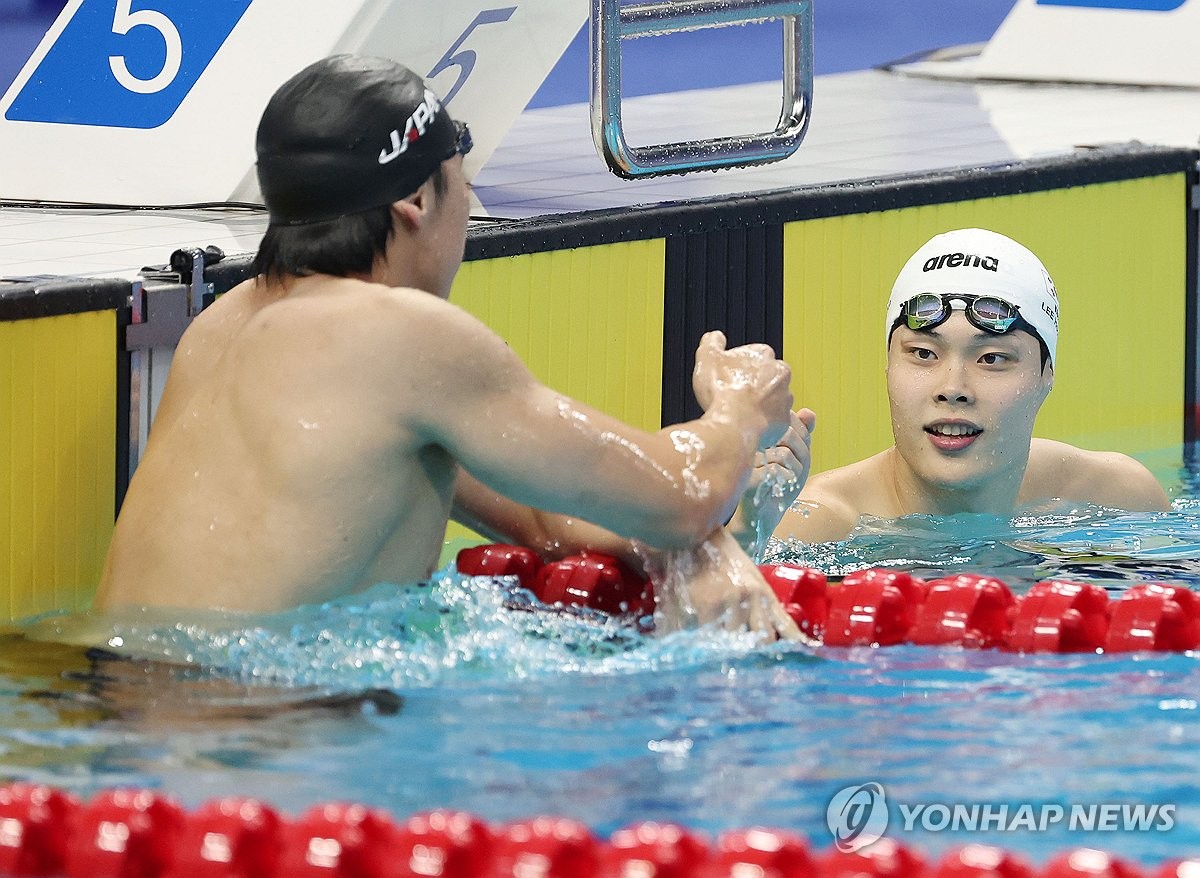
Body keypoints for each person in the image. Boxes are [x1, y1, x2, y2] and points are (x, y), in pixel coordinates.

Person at [95, 55, 802, 640]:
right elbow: (680, 494)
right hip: (264, 745)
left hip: (124, 729)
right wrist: (739, 410)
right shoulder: (401, 336)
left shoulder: (219, 328)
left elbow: (546, 519)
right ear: (417, 203)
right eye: (462, 175)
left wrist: (713, 541)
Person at [769, 227, 1171, 543]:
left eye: (991, 358)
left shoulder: (1120, 501)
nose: (953, 387)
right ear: (888, 366)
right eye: (924, 354)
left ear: (1046, 375)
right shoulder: (811, 525)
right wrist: (745, 530)